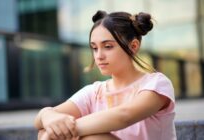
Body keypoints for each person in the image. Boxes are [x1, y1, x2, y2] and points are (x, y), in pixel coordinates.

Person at [34, 10, 177, 140]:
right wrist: (48, 116)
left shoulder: (156, 84)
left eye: (107, 46)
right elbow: (40, 121)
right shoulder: (94, 92)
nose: (99, 56)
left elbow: (123, 116)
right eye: (94, 48)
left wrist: (60, 131)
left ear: (133, 46)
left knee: (91, 138)